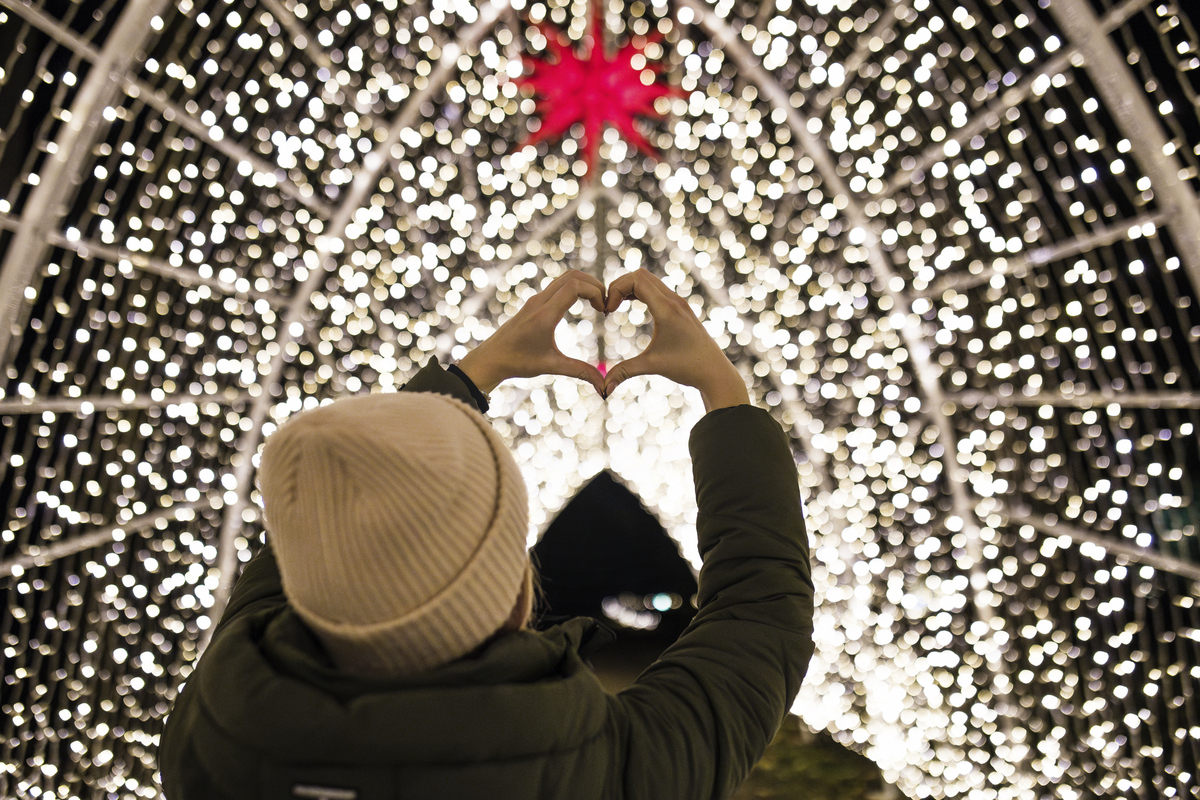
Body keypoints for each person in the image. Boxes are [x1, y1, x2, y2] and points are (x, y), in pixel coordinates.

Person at [158, 268, 815, 800]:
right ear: (510, 588)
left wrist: (469, 378)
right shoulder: (596, 772)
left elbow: (331, 511)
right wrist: (724, 393)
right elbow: (761, 619)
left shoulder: (215, 729)